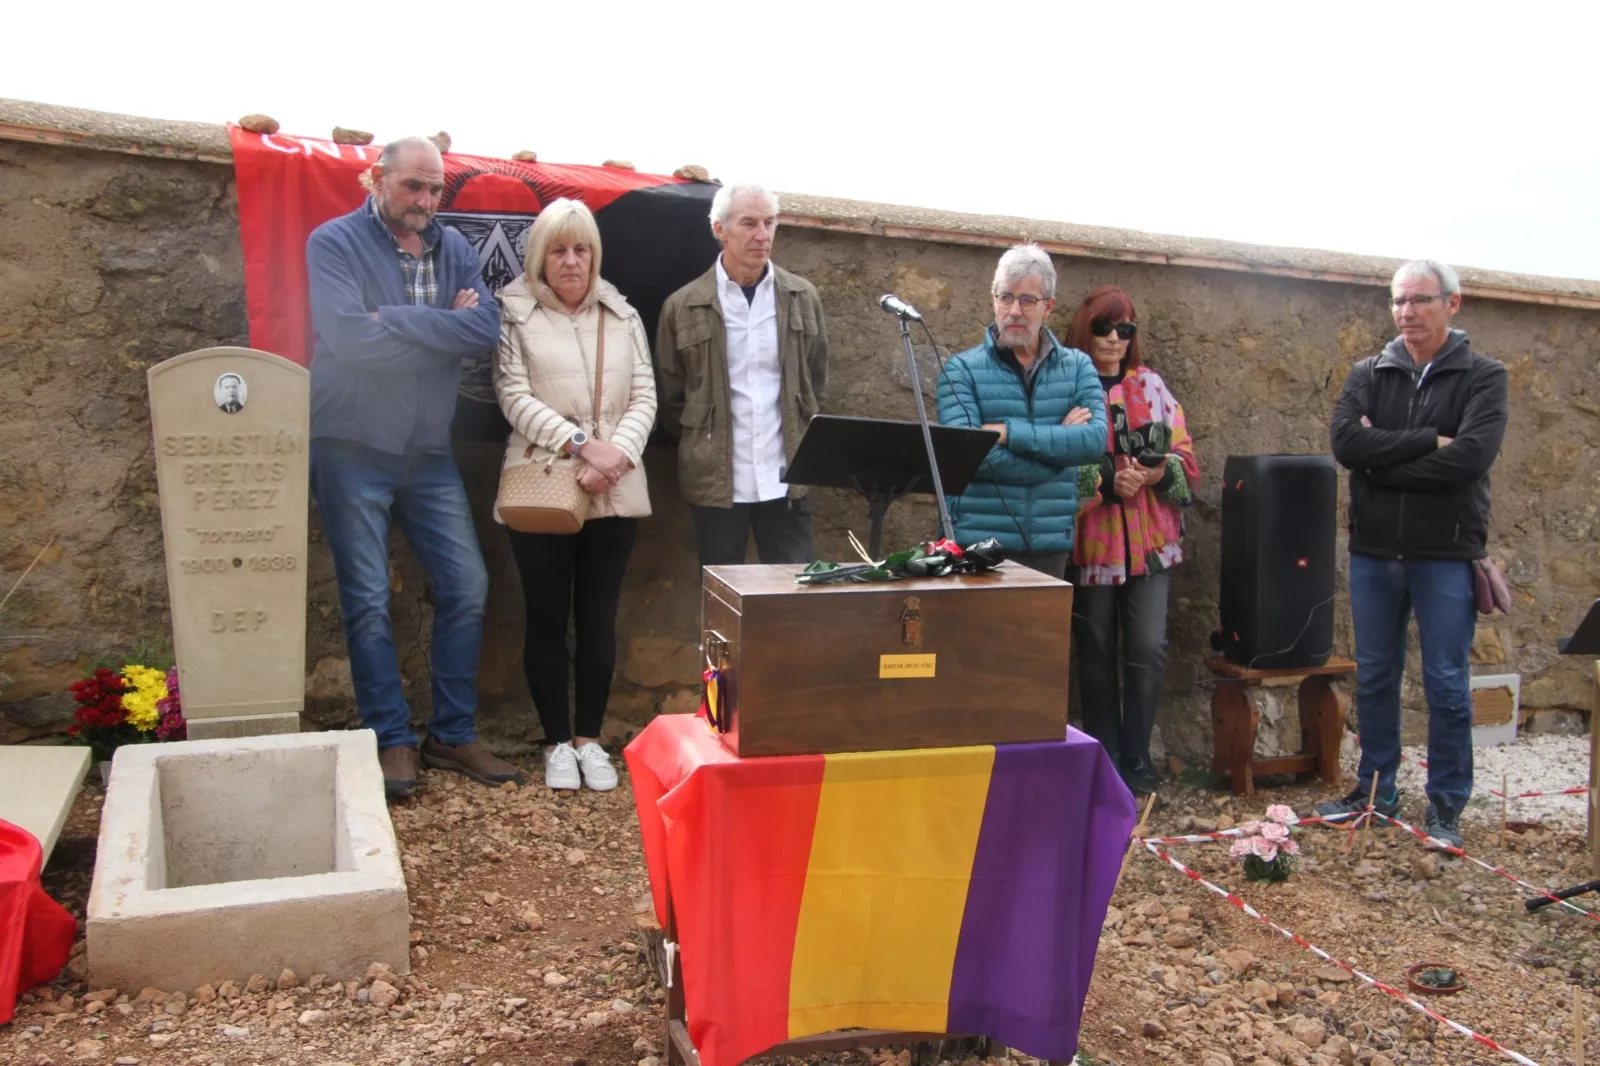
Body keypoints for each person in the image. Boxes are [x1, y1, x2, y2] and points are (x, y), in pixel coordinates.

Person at [306, 136, 525, 800]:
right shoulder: (334, 243)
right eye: (413, 187)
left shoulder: (454, 247)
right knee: (369, 601)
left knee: (467, 587)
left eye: (435, 189)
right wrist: (437, 329)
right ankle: (391, 739)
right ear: (377, 179)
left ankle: (451, 734)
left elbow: (483, 331)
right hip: (351, 445)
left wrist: (395, 323)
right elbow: (348, 340)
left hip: (428, 451)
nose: (426, 201)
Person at [1316, 260, 1509, 850]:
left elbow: (1472, 458)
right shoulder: (1368, 373)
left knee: (1447, 683)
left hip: (1446, 553)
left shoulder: (1483, 376)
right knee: (1375, 676)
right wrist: (1427, 441)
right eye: (1398, 301)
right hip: (1376, 550)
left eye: (1420, 300)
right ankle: (1376, 790)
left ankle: (1446, 805)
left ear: (1453, 305)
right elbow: (1348, 444)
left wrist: (1384, 461)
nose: (1406, 313)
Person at [494, 200, 656, 791]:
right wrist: (583, 446)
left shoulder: (622, 315)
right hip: (543, 480)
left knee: (598, 618)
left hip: (614, 487)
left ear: (595, 256)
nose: (570, 261)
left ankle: (591, 739)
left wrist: (615, 457)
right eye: (559, 250)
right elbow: (512, 394)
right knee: (544, 617)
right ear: (541, 255)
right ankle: (556, 741)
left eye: (581, 249)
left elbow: (645, 394)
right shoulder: (516, 313)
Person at [1064, 286, 1198, 794]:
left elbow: (1187, 467)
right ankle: (1105, 759)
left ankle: (1138, 758)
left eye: (1126, 329)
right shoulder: (1067, 386)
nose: (1116, 338)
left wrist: (1159, 475)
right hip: (1092, 542)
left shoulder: (1152, 387)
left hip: (1151, 545)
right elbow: (1057, 461)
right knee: (1094, 648)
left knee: (1148, 646)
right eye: (1105, 327)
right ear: (1085, 328)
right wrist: (1103, 481)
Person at [656, 182, 828, 566]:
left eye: (770, 222)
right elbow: (671, 398)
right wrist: (703, 443)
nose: (762, 235)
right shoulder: (683, 306)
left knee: (792, 593)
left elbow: (815, 380)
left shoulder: (801, 297)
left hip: (787, 477)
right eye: (749, 223)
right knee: (722, 599)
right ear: (720, 229)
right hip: (717, 481)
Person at [934, 244, 1107, 576]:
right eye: (1005, 297)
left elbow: (1093, 441)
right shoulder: (961, 371)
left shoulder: (1077, 367)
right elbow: (968, 457)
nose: (1014, 310)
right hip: (976, 546)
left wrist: (1007, 432)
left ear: (1049, 307)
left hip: (1048, 546)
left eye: (1028, 300)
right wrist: (1060, 455)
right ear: (993, 300)